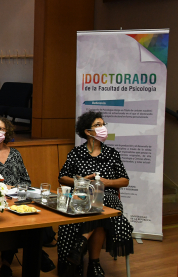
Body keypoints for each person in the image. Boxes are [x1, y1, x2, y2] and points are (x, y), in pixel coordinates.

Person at [0, 116, 56, 277]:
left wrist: (14, 188)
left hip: (16, 198)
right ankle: (39, 254)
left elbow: (26, 180)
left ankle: (6, 264)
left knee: (35, 215)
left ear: (7, 132)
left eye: (1, 129)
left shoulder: (15, 154)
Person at [57, 111, 134, 277]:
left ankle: (81, 242)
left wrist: (107, 183)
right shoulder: (76, 153)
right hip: (81, 198)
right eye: (98, 125)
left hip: (109, 198)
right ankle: (94, 264)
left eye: (103, 124)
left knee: (101, 200)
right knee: (99, 212)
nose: (103, 128)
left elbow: (125, 180)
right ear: (87, 132)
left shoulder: (112, 154)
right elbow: (62, 178)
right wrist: (82, 181)